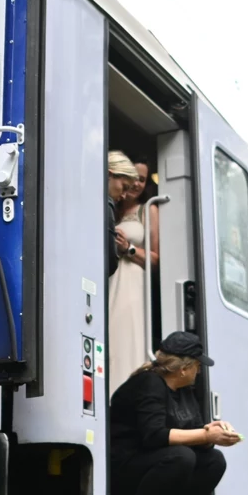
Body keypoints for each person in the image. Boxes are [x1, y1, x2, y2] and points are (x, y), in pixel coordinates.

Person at [110, 332, 239, 495]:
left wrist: (214, 433)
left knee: (214, 461)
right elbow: (153, 435)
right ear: (184, 369)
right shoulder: (149, 383)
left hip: (156, 469)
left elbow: (196, 432)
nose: (200, 371)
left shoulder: (184, 391)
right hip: (123, 471)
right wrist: (206, 436)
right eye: (198, 365)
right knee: (181, 456)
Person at [108, 156, 159, 399]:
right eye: (134, 179)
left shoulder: (148, 209)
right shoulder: (111, 205)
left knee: (126, 337)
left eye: (142, 180)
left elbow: (157, 259)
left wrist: (128, 248)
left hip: (132, 283)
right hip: (110, 278)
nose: (137, 184)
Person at [107, 151, 140, 278]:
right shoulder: (107, 204)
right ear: (109, 175)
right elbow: (110, 263)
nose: (124, 196)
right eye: (124, 187)